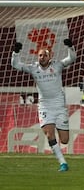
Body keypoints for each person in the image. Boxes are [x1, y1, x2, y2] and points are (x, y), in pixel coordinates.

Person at [11, 39, 76, 172]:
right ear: (37, 57)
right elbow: (15, 64)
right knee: (49, 134)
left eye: (45, 55)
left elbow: (72, 58)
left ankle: (59, 136)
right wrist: (16, 52)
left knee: (64, 140)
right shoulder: (33, 68)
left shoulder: (57, 66)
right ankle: (63, 163)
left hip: (59, 106)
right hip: (45, 106)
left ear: (50, 56)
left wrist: (70, 46)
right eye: (40, 55)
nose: (42, 57)